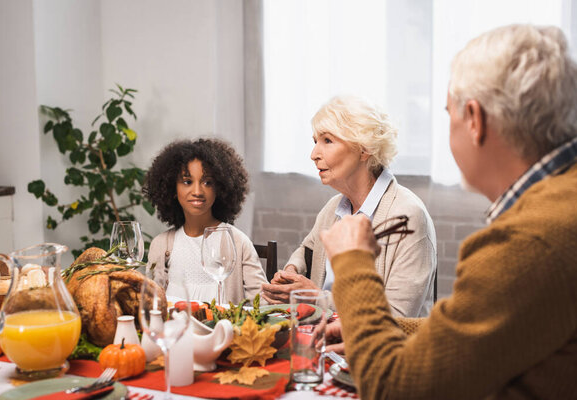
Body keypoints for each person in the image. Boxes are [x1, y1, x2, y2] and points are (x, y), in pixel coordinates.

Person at [320, 24, 577, 399]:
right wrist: (390, 328)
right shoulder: (575, 198)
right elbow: (490, 333)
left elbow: (393, 388)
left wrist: (352, 263)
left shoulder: (527, 242)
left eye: (450, 115)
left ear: (475, 120)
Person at [262, 95, 437, 318]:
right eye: (315, 141)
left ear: (364, 149)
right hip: (326, 338)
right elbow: (307, 248)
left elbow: (396, 315)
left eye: (327, 141)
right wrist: (291, 271)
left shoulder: (409, 216)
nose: (314, 154)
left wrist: (314, 296)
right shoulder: (333, 208)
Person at [144, 138, 267, 303]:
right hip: (175, 328)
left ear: (220, 188)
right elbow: (150, 303)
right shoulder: (160, 245)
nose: (197, 191)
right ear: (172, 189)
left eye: (207, 182)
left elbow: (262, 303)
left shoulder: (237, 242)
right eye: (187, 182)